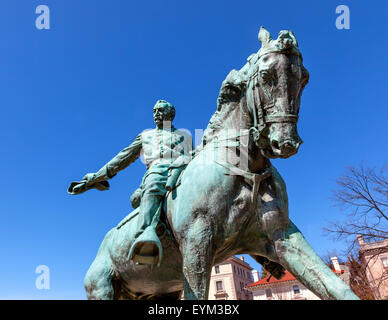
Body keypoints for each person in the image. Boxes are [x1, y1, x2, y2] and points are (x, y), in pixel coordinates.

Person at [69, 100, 192, 265]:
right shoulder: (146, 136)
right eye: (154, 111)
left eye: (161, 110)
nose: (156, 114)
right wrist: (97, 177)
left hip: (181, 169)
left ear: (171, 113)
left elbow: (192, 157)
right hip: (157, 171)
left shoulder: (185, 135)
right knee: (153, 184)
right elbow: (123, 157)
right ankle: (146, 235)